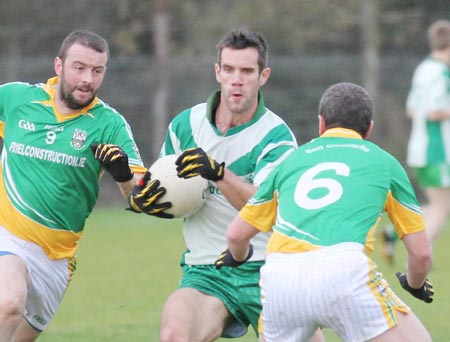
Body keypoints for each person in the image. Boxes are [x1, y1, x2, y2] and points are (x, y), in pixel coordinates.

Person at [129, 28, 323, 341]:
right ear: (217, 73)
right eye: (229, 69)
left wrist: (219, 173)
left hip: (270, 272)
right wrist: (145, 199)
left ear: (263, 76)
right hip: (207, 272)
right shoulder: (184, 126)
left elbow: (267, 209)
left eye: (247, 71)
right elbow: (171, 194)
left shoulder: (277, 137)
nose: (237, 79)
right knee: (173, 336)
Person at [215, 82, 434, 341]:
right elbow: (420, 254)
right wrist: (414, 284)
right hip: (345, 270)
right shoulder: (385, 163)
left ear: (321, 124)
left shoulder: (291, 162)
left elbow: (236, 235)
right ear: (369, 129)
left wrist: (239, 256)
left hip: (281, 278)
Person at [0, 29, 167, 341]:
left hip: (57, 259)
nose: (88, 79)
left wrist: (123, 176)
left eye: (97, 70)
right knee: (7, 303)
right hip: (8, 235)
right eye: (79, 68)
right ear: (59, 65)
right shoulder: (16, 99)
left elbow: (142, 198)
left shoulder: (109, 124)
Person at [381, 19, 450, 263]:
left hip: (420, 148)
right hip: (437, 151)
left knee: (440, 204)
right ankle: (420, 256)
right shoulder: (442, 74)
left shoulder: (423, 69)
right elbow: (434, 111)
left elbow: (412, 110)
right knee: (442, 209)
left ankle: (392, 231)